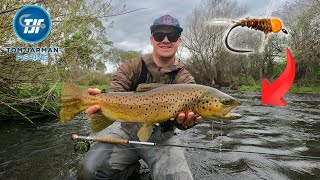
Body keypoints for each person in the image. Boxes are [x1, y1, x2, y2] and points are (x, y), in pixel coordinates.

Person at [77, 14, 202, 180]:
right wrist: (100, 99)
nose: (165, 40)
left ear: (179, 41)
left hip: (162, 138)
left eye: (171, 36)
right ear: (152, 40)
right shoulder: (132, 66)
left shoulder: (185, 80)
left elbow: (188, 121)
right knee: (88, 172)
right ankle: (130, 171)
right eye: (159, 35)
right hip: (125, 130)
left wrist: (187, 123)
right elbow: (116, 91)